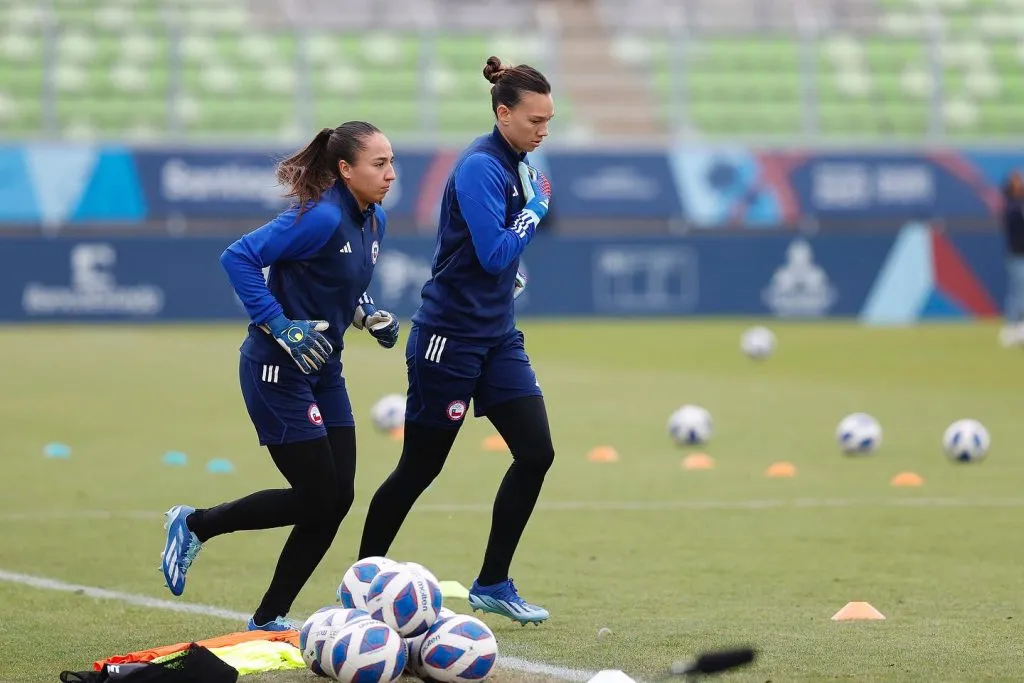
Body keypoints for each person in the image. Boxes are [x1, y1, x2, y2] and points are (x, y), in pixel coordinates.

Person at [159, 122, 401, 631]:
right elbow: (238, 257)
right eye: (378, 164)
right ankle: (196, 523)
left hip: (323, 368)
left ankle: (269, 618)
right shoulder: (321, 217)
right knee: (317, 496)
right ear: (344, 169)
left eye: (391, 162)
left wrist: (366, 314)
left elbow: (338, 285)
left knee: (338, 499)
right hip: (276, 370)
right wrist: (279, 325)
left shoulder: (372, 219)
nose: (390, 174)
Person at [357, 56, 555, 625]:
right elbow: (494, 251)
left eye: (549, 121)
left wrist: (511, 260)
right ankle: (363, 583)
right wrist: (536, 211)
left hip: (497, 336)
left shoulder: (517, 162)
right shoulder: (479, 166)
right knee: (420, 468)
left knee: (537, 453)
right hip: (449, 336)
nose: (544, 131)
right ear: (504, 114)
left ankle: (493, 581)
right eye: (536, 120)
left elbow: (493, 257)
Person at [1000, 170, 1024, 347]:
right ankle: (1011, 327)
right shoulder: (1012, 206)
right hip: (1017, 255)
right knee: (1018, 293)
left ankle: (1018, 327)